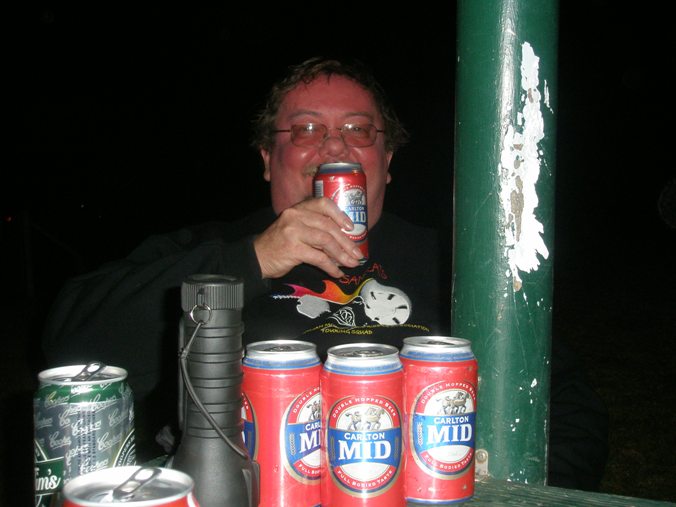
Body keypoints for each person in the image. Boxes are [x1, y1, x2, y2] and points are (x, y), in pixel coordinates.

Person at [42, 56, 606, 490]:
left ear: (387, 161)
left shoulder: (455, 265)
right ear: (267, 159)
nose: (334, 145)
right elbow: (71, 344)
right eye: (306, 130)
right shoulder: (208, 249)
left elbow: (567, 406)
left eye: (359, 130)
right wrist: (255, 258)